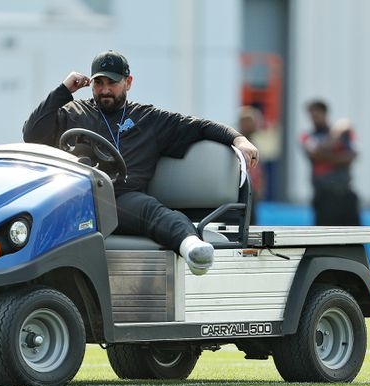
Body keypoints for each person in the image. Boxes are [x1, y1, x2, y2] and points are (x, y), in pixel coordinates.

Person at [23, 50, 259, 275]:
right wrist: (64, 90)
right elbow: (32, 133)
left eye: (112, 83)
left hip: (123, 200)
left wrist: (239, 139)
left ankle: (192, 248)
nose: (105, 90)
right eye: (99, 83)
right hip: (80, 197)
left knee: (152, 210)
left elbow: (200, 127)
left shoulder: (147, 118)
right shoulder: (74, 112)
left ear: (128, 82)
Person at [300, 99, 361, 226]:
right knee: (325, 240)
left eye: (317, 114)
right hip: (324, 196)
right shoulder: (308, 136)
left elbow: (351, 157)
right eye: (311, 115)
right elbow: (314, 155)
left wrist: (325, 157)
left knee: (353, 239)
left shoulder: (344, 133)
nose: (314, 118)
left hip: (346, 194)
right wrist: (334, 137)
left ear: (325, 113)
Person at [237, 106, 265, 225]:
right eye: (252, 121)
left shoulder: (253, 142)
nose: (255, 124)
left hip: (252, 193)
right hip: (242, 192)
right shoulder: (238, 145)